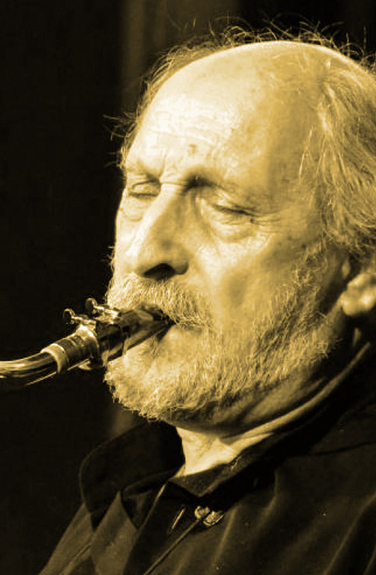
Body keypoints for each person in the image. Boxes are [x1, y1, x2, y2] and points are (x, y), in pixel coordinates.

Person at [39, 29, 376, 575]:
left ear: (362, 266)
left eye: (224, 206)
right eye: (143, 191)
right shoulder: (132, 484)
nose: (144, 251)